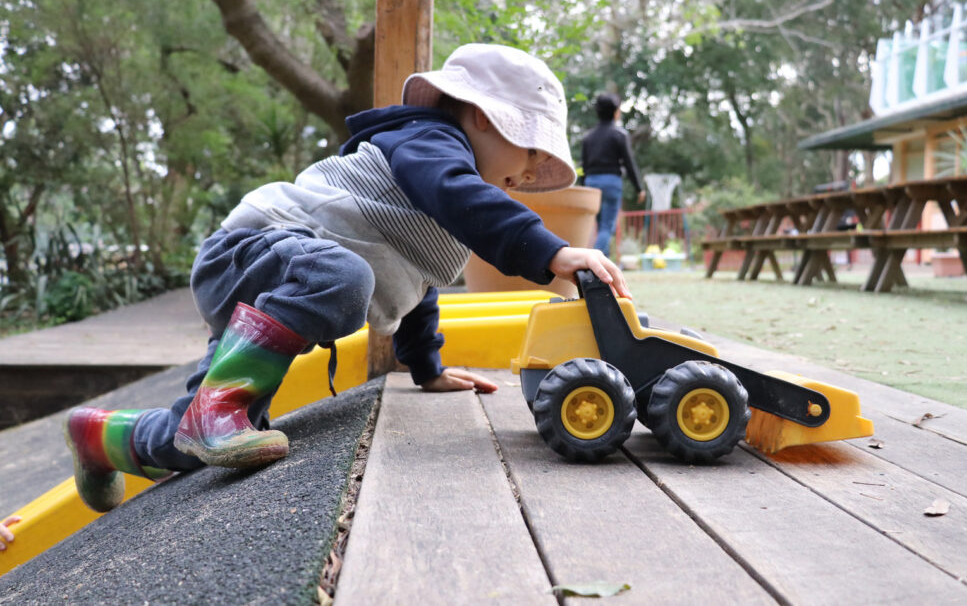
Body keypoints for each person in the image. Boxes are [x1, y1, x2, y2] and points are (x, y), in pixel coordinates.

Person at [62, 44, 632, 513]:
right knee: (343, 275)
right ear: (482, 116)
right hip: (253, 251)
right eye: (530, 146)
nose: (531, 171)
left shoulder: (442, 199)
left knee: (198, 442)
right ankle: (220, 404)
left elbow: (417, 283)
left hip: (266, 297)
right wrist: (552, 252)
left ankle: (100, 436)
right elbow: (462, 198)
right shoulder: (429, 140)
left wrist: (426, 368)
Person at [580, 93, 645, 256]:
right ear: (616, 112)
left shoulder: (588, 137)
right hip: (611, 182)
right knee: (606, 227)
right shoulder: (619, 135)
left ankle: (604, 262)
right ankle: (595, 263)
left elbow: (584, 166)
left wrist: (583, 189)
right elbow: (629, 163)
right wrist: (639, 188)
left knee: (600, 225)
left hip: (591, 182)